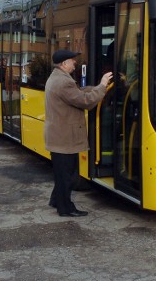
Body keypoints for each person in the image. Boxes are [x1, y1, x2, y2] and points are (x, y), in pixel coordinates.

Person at [44, 49, 112, 217]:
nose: (75, 63)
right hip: (64, 138)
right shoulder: (63, 82)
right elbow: (85, 101)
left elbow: (78, 92)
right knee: (68, 175)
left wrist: (96, 87)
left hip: (60, 136)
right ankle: (65, 208)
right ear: (64, 63)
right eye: (72, 61)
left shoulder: (58, 77)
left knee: (63, 173)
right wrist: (102, 86)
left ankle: (56, 200)